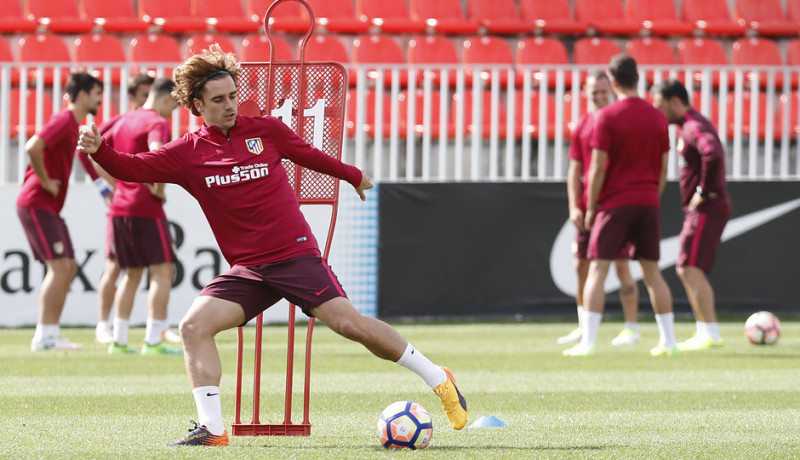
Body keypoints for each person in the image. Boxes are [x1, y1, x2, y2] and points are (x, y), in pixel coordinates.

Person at [77, 44, 467, 446]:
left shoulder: (265, 130)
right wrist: (99, 150)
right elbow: (132, 167)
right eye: (219, 100)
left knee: (350, 325)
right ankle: (212, 428)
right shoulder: (186, 154)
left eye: (233, 95)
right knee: (193, 327)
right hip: (249, 269)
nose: (231, 105)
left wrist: (353, 175)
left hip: (294, 255)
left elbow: (309, 155)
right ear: (197, 105)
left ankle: (438, 378)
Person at [563, 54, 678, 357]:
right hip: (649, 201)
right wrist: (653, 194)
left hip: (615, 203)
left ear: (613, 82)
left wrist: (592, 207)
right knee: (653, 272)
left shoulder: (607, 116)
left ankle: (587, 343)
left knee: (598, 269)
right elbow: (664, 168)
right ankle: (669, 341)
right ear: (638, 79)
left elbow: (597, 167)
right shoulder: (657, 116)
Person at [17, 71, 104, 351]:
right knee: (60, 267)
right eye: (96, 93)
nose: (100, 99)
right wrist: (44, 180)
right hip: (37, 202)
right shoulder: (63, 119)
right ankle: (45, 337)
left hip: (46, 206)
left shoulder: (71, 123)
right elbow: (33, 146)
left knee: (67, 267)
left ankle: (50, 334)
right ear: (82, 94)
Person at [559, 70, 641, 347]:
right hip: (587, 205)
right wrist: (574, 205)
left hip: (614, 203)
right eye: (594, 91)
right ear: (586, 91)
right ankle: (584, 326)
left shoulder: (620, 120)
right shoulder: (582, 123)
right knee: (581, 265)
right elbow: (575, 169)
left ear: (612, 89)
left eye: (604, 90)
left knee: (620, 265)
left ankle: (632, 327)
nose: (599, 96)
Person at [103, 78, 182, 355]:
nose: (172, 113)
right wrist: (158, 189)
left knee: (131, 273)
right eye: (173, 107)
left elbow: (96, 151)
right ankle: (152, 340)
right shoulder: (157, 122)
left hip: (120, 207)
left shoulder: (125, 119)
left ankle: (119, 340)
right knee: (163, 271)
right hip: (145, 207)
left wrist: (112, 184)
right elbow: (157, 151)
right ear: (166, 100)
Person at [652, 80, 731, 351]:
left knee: (688, 267)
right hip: (701, 209)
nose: (659, 113)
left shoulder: (693, 125)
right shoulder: (686, 126)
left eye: (661, 107)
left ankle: (709, 333)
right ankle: (704, 331)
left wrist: (705, 191)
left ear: (675, 101)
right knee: (687, 267)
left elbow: (713, 153)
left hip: (707, 208)